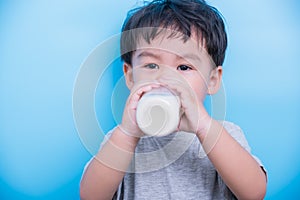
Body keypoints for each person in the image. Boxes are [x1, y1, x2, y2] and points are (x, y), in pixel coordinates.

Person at [80, 0, 267, 199]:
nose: (166, 79)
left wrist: (203, 126)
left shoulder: (224, 135)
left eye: (184, 67)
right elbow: (91, 196)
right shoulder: (120, 139)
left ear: (212, 80)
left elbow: (254, 193)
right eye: (151, 66)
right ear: (130, 76)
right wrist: (127, 135)